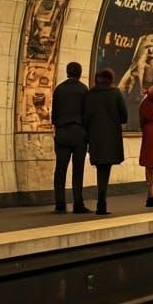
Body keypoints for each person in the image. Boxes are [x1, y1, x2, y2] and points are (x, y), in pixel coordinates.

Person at [83, 67, 128, 215]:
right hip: (111, 136)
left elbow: (86, 117)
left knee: (100, 168)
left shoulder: (90, 94)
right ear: (111, 79)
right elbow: (124, 116)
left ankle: (101, 202)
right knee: (105, 169)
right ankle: (101, 203)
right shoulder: (115, 93)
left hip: (95, 137)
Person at [51, 61, 90, 214]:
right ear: (80, 74)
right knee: (78, 170)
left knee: (60, 170)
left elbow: (54, 114)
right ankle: (78, 204)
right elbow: (87, 114)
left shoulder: (59, 89)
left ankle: (60, 204)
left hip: (62, 133)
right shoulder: (84, 89)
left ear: (67, 72)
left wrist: (58, 128)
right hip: (79, 133)